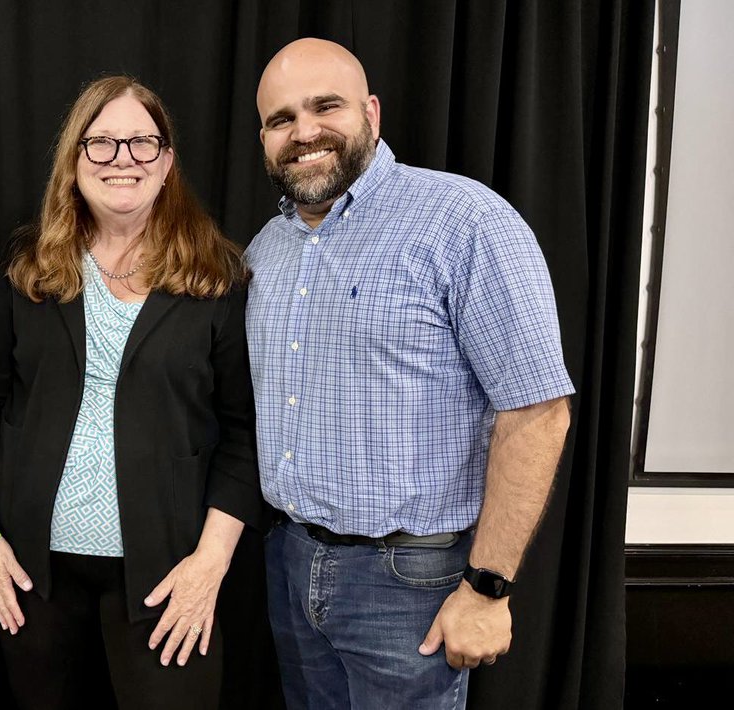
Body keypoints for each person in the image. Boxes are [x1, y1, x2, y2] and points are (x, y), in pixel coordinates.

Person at [245, 38, 575, 709]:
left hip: (409, 583)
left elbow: (538, 413)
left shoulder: (465, 222)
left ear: (370, 111)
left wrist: (487, 588)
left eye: (324, 107)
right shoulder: (265, 249)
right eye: (282, 119)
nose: (304, 132)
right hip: (288, 562)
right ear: (263, 137)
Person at [0, 75, 263, 710]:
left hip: (170, 573)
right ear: (74, 160)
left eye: (142, 142)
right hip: (33, 573)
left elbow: (242, 436)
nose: (123, 158)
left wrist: (210, 565)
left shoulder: (217, 277)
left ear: (167, 160)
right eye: (101, 143)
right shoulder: (26, 270)